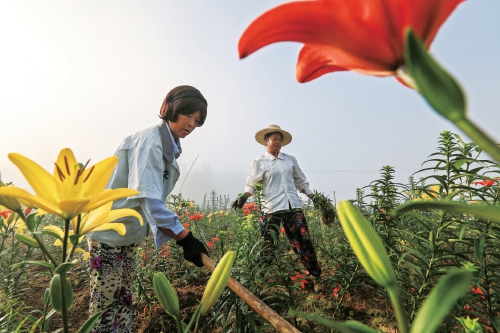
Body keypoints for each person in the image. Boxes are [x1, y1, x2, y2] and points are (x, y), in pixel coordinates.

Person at [87, 85, 209, 333]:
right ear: (172, 109)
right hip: (109, 231)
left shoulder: (168, 146)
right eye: (189, 115)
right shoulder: (149, 141)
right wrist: (186, 239)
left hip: (128, 232)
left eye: (197, 121)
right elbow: (150, 199)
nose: (192, 124)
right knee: (105, 304)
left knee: (123, 297)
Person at [232, 124, 322, 291]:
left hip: (293, 206)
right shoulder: (259, 162)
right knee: (267, 244)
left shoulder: (290, 160)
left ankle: (315, 276)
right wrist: (244, 196)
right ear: (267, 141)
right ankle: (259, 279)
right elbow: (252, 184)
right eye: (275, 139)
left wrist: (313, 197)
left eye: (280, 139)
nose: (278, 142)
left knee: (304, 242)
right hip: (271, 208)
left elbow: (300, 181)